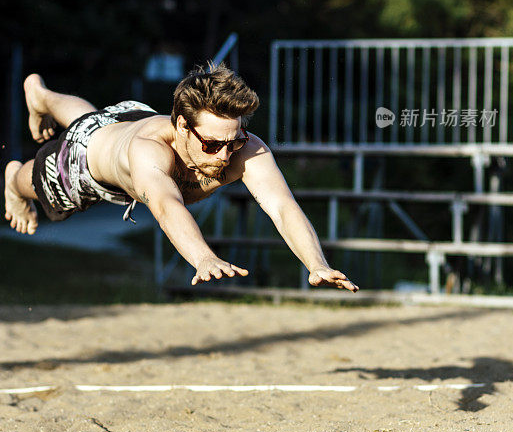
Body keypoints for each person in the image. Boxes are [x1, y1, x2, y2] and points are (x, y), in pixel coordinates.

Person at [4, 67, 358, 292]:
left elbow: (282, 207)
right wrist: (203, 258)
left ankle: (42, 96)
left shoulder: (245, 148)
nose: (224, 155)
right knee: (37, 180)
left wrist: (317, 264)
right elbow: (165, 204)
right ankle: (11, 177)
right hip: (89, 163)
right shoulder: (150, 151)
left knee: (94, 120)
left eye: (233, 141)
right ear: (182, 127)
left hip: (128, 119)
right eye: (211, 144)